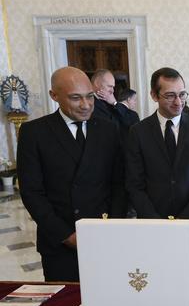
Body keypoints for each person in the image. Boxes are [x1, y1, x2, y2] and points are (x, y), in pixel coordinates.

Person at [17, 66, 125, 281]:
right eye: (76, 98)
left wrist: (112, 226)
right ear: (54, 95)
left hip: (104, 237)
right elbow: (32, 192)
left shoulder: (108, 129)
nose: (85, 105)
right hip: (59, 242)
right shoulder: (34, 133)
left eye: (90, 97)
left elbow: (119, 184)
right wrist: (66, 236)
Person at [126, 67, 189, 284]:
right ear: (154, 95)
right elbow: (134, 184)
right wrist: (157, 223)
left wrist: (183, 221)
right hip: (153, 225)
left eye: (182, 94)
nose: (178, 102)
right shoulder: (138, 132)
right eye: (170, 95)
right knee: (160, 283)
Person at [90, 69, 140, 142]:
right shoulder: (88, 103)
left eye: (113, 87)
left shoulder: (112, 104)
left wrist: (114, 103)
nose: (112, 91)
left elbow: (131, 120)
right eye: (110, 86)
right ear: (97, 83)